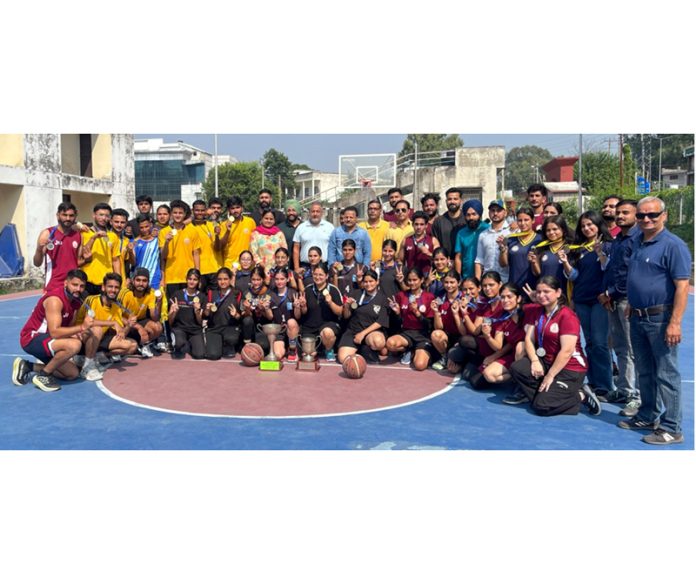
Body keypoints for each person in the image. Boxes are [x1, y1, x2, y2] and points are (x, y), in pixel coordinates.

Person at [618, 196, 691, 445]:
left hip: (661, 318)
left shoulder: (674, 245)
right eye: (641, 216)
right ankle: (648, 415)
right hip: (638, 316)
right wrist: (631, 304)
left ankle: (672, 427)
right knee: (644, 371)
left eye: (653, 215)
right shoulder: (637, 241)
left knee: (666, 374)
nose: (646, 219)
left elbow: (682, 286)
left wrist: (675, 322)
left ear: (665, 216)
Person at [507, 276, 602, 416]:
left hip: (570, 368)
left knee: (541, 407)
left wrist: (550, 375)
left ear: (558, 292)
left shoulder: (567, 316)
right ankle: (547, 395)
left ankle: (581, 396)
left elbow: (567, 351)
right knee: (517, 368)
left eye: (546, 291)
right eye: (538, 292)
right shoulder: (538, 311)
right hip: (547, 362)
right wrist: (534, 361)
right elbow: (528, 339)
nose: (541, 295)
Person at [558, 210, 615, 398]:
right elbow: (574, 276)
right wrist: (566, 262)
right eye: (583, 226)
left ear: (599, 225)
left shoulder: (608, 245)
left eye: (590, 224)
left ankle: (606, 386)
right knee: (589, 342)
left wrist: (600, 253)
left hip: (599, 300)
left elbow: (608, 268)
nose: (587, 228)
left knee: (600, 343)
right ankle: (594, 381)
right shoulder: (578, 248)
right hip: (582, 300)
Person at [13, 269, 93, 392]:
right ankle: (43, 375)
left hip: (49, 340)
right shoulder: (55, 300)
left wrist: (77, 333)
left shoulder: (75, 300)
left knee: (72, 374)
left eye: (82, 286)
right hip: (32, 338)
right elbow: (55, 332)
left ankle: (28, 366)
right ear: (66, 283)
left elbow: (67, 328)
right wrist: (81, 327)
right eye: (75, 285)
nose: (78, 289)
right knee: (74, 345)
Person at [599, 199, 640, 414]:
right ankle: (624, 389)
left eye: (626, 212)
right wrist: (606, 292)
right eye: (619, 212)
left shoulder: (637, 240)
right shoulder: (618, 240)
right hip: (613, 299)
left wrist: (611, 293)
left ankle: (635, 395)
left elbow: (629, 274)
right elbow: (612, 269)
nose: (620, 215)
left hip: (626, 300)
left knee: (632, 349)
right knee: (620, 348)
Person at [76, 272, 139, 381]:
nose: (113, 290)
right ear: (103, 287)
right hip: (82, 336)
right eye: (110, 286)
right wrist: (112, 323)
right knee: (97, 329)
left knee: (132, 345)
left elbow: (121, 334)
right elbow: (89, 323)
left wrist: (128, 325)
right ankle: (87, 367)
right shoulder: (92, 300)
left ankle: (92, 358)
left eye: (116, 287)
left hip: (99, 339)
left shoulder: (117, 306)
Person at [447, 271, 504, 376]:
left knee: (475, 380)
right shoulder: (485, 305)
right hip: (482, 344)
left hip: (497, 348)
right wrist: (461, 313)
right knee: (455, 353)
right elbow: (474, 331)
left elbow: (509, 342)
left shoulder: (505, 305)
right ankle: (468, 362)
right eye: (485, 285)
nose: (487, 288)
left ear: (500, 285)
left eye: (491, 285)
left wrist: (493, 357)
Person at [385, 267, 435, 370]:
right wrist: (397, 313)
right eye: (409, 280)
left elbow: (430, 325)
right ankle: (407, 350)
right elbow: (398, 322)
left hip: (423, 335)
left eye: (415, 280)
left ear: (421, 280)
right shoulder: (401, 295)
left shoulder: (429, 297)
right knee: (390, 344)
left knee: (420, 366)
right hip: (406, 333)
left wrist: (418, 313)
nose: (412, 283)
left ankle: (417, 353)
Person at [478, 283, 526, 387]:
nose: (505, 300)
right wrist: (487, 335)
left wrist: (535, 298)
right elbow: (498, 346)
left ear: (518, 298)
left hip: (530, 355)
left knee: (520, 346)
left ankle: (521, 386)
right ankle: (516, 377)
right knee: (488, 374)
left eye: (509, 296)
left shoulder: (528, 311)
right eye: (503, 297)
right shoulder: (503, 319)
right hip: (513, 355)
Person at [337, 269, 389, 364]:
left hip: (371, 332)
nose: (368, 284)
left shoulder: (383, 298)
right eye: (365, 282)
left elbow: (380, 322)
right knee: (343, 359)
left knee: (379, 342)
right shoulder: (356, 294)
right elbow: (346, 316)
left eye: (371, 281)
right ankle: (362, 350)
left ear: (377, 282)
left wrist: (362, 334)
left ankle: (366, 348)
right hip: (353, 331)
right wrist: (347, 306)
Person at [296, 263, 343, 362]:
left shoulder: (333, 290)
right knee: (308, 355)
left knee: (327, 332)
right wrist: (303, 306)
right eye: (315, 274)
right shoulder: (307, 289)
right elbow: (304, 313)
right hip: (310, 327)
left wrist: (330, 302)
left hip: (327, 325)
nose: (318, 277)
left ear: (326, 276)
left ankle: (329, 350)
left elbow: (340, 312)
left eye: (321, 275)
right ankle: (316, 349)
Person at [33, 202, 84, 293]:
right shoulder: (47, 234)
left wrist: (87, 259)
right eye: (64, 215)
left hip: (73, 286)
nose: (68, 218)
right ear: (58, 215)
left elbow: (78, 262)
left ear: (75, 216)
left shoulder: (79, 236)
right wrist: (39, 249)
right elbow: (37, 263)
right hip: (53, 286)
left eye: (71, 215)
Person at [158, 200, 201, 299]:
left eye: (180, 213)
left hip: (189, 277)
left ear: (185, 214)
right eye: (175, 213)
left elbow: (196, 254)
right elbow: (163, 256)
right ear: (171, 214)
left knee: (188, 307)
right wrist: (166, 242)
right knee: (173, 308)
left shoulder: (192, 231)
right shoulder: (164, 232)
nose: (178, 215)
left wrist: (198, 275)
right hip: (171, 277)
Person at [118, 267, 164, 358]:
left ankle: (143, 345)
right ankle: (132, 343)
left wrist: (159, 303)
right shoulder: (125, 293)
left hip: (139, 320)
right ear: (133, 280)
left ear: (148, 282)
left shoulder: (151, 293)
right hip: (124, 322)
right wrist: (138, 327)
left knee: (158, 327)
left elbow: (154, 317)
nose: (141, 283)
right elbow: (117, 316)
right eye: (138, 280)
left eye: (144, 281)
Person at [201, 267, 243, 360]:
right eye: (220, 279)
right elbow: (205, 316)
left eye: (225, 279)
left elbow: (241, 318)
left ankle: (228, 344)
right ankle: (218, 344)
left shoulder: (237, 293)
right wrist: (207, 311)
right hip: (214, 328)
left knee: (231, 339)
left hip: (230, 328)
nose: (222, 282)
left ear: (230, 279)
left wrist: (236, 315)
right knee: (213, 355)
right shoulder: (211, 293)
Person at [499, 207, 541, 295]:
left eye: (526, 220)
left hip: (533, 287)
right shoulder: (511, 239)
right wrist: (502, 249)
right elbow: (503, 264)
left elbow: (540, 270)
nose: (523, 223)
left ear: (533, 220)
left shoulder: (540, 240)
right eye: (520, 220)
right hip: (514, 286)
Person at [81, 203, 121, 295]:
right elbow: (82, 253)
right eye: (101, 215)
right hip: (87, 280)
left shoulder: (113, 236)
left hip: (106, 281)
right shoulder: (84, 233)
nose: (104, 218)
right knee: (87, 308)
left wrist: (118, 279)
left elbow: (115, 260)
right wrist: (94, 237)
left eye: (107, 216)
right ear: (94, 215)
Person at [429, 269, 466, 371]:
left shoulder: (465, 299)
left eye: (452, 282)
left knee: (453, 370)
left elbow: (465, 331)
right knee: (436, 334)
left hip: (463, 338)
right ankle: (445, 357)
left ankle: (456, 358)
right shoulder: (440, 299)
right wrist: (436, 311)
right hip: (448, 337)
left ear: (459, 283)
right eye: (446, 282)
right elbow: (439, 328)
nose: (449, 285)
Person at [168, 268, 205, 359]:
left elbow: (200, 322)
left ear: (199, 281)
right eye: (190, 279)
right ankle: (179, 342)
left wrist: (197, 313)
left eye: (195, 279)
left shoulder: (202, 296)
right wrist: (173, 312)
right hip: (179, 329)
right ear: (186, 279)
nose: (192, 282)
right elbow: (170, 322)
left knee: (199, 355)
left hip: (195, 330)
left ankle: (189, 343)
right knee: (179, 348)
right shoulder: (177, 294)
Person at [528, 215, 572, 293]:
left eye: (555, 229)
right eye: (548, 230)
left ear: (563, 229)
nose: (551, 232)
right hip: (545, 293)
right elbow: (538, 273)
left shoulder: (571, 248)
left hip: (564, 293)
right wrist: (534, 262)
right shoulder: (542, 248)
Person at [266, 267, 302, 361]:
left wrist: (297, 307)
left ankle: (293, 349)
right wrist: (266, 308)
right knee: (277, 355)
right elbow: (270, 317)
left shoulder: (293, 293)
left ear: (287, 279)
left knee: (291, 322)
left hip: (292, 329)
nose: (279, 281)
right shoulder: (270, 294)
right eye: (277, 279)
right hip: (279, 330)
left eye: (282, 279)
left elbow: (298, 316)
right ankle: (284, 348)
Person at [292, 201, 334, 274]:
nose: (315, 214)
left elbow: (334, 248)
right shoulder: (301, 227)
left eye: (317, 211)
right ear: (309, 213)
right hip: (305, 267)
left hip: (324, 266)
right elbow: (296, 248)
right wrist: (296, 268)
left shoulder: (330, 227)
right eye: (313, 211)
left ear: (322, 213)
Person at [474, 199, 511, 281]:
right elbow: (479, 260)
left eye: (499, 210)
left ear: (505, 212)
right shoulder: (483, 235)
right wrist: (477, 282)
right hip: (487, 280)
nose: (495, 213)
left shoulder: (512, 232)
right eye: (492, 210)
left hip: (506, 279)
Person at [190, 199, 222, 293]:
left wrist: (217, 235)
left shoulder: (212, 225)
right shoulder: (188, 227)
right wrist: (196, 274)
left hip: (214, 269)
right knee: (200, 300)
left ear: (206, 210)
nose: (200, 213)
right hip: (199, 271)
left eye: (202, 210)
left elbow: (218, 247)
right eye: (197, 210)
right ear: (193, 211)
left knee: (215, 301)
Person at [453, 199, 489, 279]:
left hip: (486, 275)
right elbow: (458, 257)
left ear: (479, 215)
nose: (471, 217)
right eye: (468, 215)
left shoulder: (487, 229)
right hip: (467, 276)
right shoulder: (461, 233)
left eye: (474, 214)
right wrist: (458, 278)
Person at [219, 196, 257, 268]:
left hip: (247, 265)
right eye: (232, 208)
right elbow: (221, 246)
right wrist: (228, 231)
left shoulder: (250, 222)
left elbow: (254, 242)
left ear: (242, 208)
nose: (235, 210)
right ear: (228, 210)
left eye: (237, 207)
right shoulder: (223, 224)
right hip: (230, 264)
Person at [399, 211, 440, 275]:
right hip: (411, 277)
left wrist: (428, 253)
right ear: (412, 225)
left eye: (421, 224)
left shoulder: (433, 240)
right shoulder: (406, 240)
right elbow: (400, 261)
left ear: (426, 225)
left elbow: (439, 260)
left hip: (428, 275)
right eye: (416, 224)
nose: (418, 227)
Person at [431, 187, 466, 256]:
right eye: (449, 199)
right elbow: (435, 245)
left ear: (461, 201)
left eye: (455, 199)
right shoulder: (438, 221)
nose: (452, 201)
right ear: (446, 201)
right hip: (445, 263)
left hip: (464, 262)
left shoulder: (467, 219)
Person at [132, 214, 163, 291]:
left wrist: (163, 278)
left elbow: (163, 260)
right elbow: (132, 262)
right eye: (141, 227)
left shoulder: (158, 240)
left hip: (155, 279)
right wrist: (130, 251)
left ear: (151, 225)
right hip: (139, 280)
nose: (144, 229)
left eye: (146, 226)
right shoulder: (134, 242)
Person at [110, 208, 133, 279]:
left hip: (121, 281)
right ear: (111, 222)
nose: (119, 225)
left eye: (122, 222)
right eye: (116, 222)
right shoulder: (105, 237)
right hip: (106, 279)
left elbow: (129, 263)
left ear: (126, 223)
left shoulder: (126, 241)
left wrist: (130, 251)